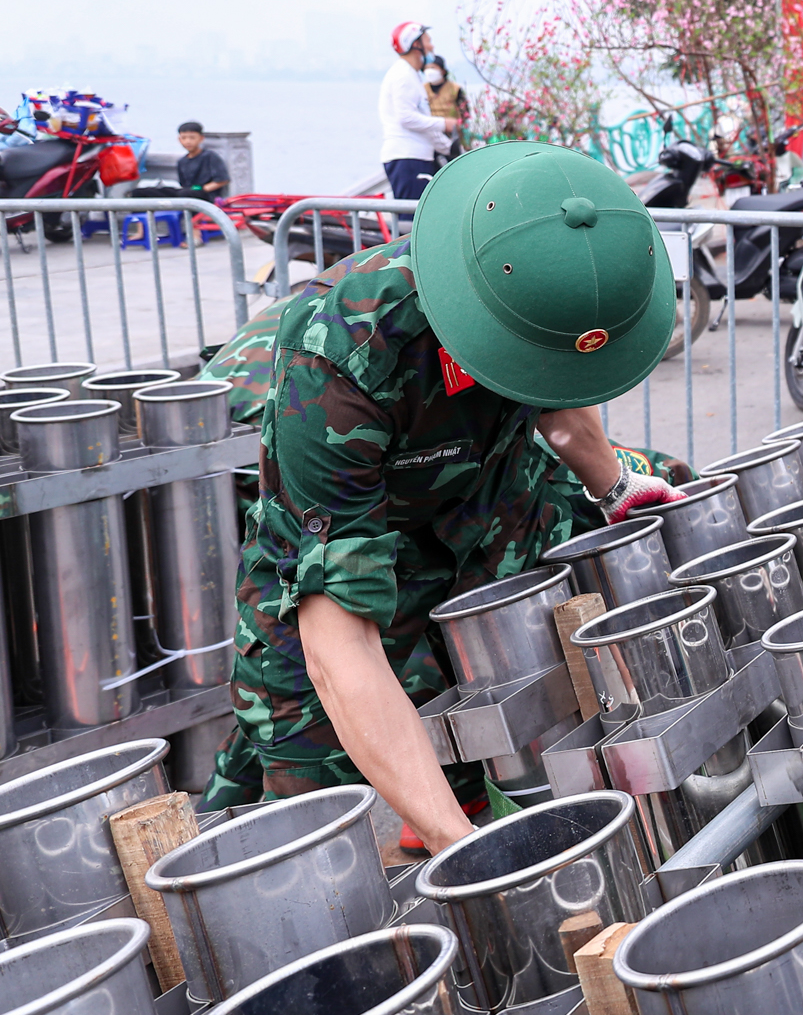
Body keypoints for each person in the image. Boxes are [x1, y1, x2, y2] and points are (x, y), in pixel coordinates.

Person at [203, 141, 685, 847]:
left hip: (480, 490)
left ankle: (453, 802)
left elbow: (560, 387)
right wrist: (461, 850)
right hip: (344, 515)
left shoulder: (530, 291)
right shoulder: (341, 360)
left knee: (477, 710)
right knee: (318, 775)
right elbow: (342, 644)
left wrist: (613, 487)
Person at [379, 22, 454, 201]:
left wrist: (449, 147)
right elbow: (406, 118)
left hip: (417, 158)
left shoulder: (411, 75)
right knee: (411, 222)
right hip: (408, 158)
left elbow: (424, 124)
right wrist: (445, 124)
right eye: (428, 40)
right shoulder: (402, 75)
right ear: (415, 44)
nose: (432, 46)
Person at [135, 121, 230, 199]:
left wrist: (202, 189)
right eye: (184, 138)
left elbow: (222, 180)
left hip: (205, 195)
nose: (188, 141)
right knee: (142, 192)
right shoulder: (182, 161)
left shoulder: (210, 156)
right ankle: (139, 221)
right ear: (179, 139)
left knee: (184, 194)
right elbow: (183, 185)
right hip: (186, 191)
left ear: (201, 139)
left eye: (192, 138)